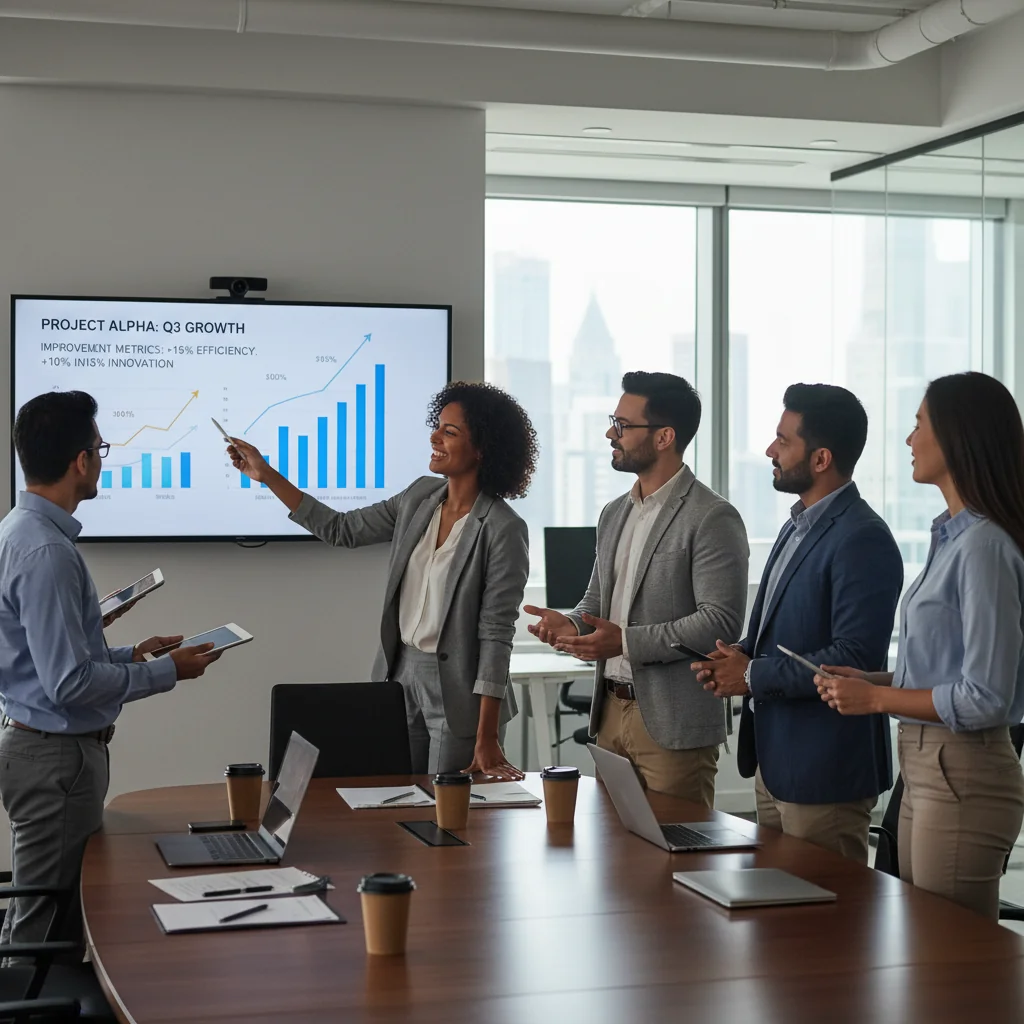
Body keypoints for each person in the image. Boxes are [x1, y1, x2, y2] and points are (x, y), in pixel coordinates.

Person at [228, 381, 536, 779]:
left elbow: (496, 635)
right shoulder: (419, 497)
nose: (435, 436)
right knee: (398, 804)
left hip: (462, 694)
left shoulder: (503, 527)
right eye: (437, 425)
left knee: (449, 818)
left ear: (482, 449)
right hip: (399, 676)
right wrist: (267, 476)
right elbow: (343, 529)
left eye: (450, 431)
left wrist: (487, 733)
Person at [0, 391, 219, 950]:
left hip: (46, 753)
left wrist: (132, 653)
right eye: (101, 448)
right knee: (46, 934)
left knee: (50, 917)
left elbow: (44, 658)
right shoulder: (44, 552)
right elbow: (68, 684)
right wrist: (166, 672)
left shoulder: (19, 533)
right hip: (56, 761)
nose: (102, 458)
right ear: (80, 461)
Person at [818, 372, 1024, 915]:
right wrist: (875, 682)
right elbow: (947, 670)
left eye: (918, 425)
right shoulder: (951, 536)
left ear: (958, 436)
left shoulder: (984, 547)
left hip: (963, 771)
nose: (909, 440)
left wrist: (878, 701)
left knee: (950, 962)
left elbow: (984, 697)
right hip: (926, 767)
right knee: (926, 951)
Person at [695, 383, 902, 863]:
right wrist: (739, 654)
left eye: (783, 441)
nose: (770, 450)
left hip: (823, 769)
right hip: (775, 758)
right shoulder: (796, 524)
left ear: (821, 457)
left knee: (827, 928)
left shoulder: (862, 538)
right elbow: (779, 632)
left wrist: (750, 675)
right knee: (780, 924)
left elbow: (854, 657)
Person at [526, 371, 748, 807]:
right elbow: (596, 603)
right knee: (612, 862)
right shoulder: (614, 513)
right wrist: (570, 624)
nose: (611, 433)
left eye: (623, 425)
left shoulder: (711, 516)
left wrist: (625, 641)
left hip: (673, 724)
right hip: (609, 715)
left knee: (674, 862)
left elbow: (719, 621)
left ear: (665, 436)